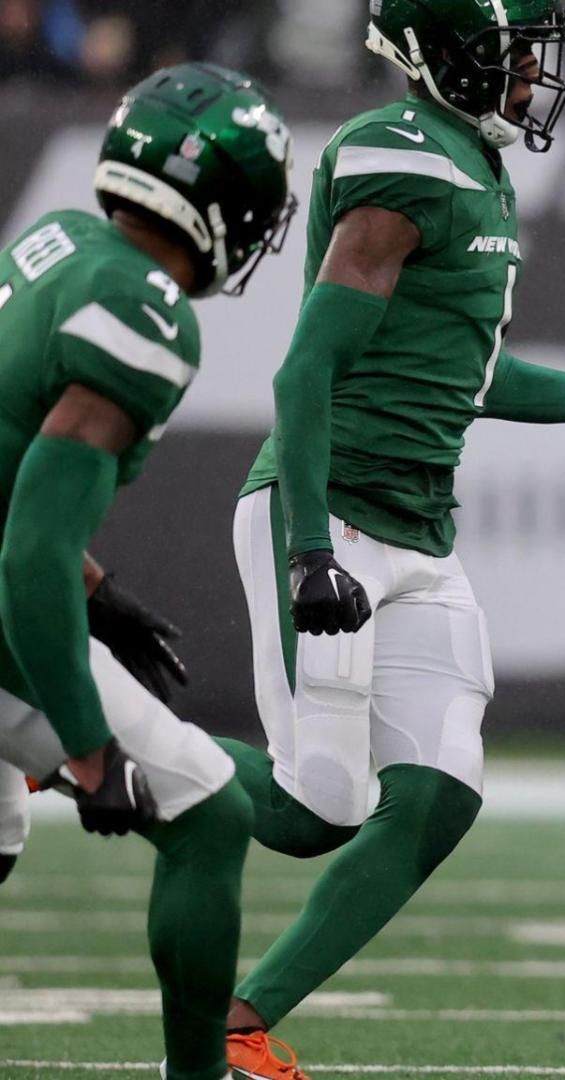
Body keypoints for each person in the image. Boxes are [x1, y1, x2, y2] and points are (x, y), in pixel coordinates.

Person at [216, 3, 565, 1076]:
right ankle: (83, 729)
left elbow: (474, 376)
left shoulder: (476, 161)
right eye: (514, 51)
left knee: (436, 795)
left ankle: (240, 1025)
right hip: (328, 508)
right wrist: (304, 549)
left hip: (419, 525)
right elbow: (302, 372)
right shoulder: (401, 155)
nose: (532, 72)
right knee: (309, 810)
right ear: (446, 52)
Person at [0, 62, 296, 1080]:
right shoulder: (146, 313)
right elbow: (25, 553)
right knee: (211, 814)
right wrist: (85, 750)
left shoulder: (60, 243)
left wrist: (91, 588)